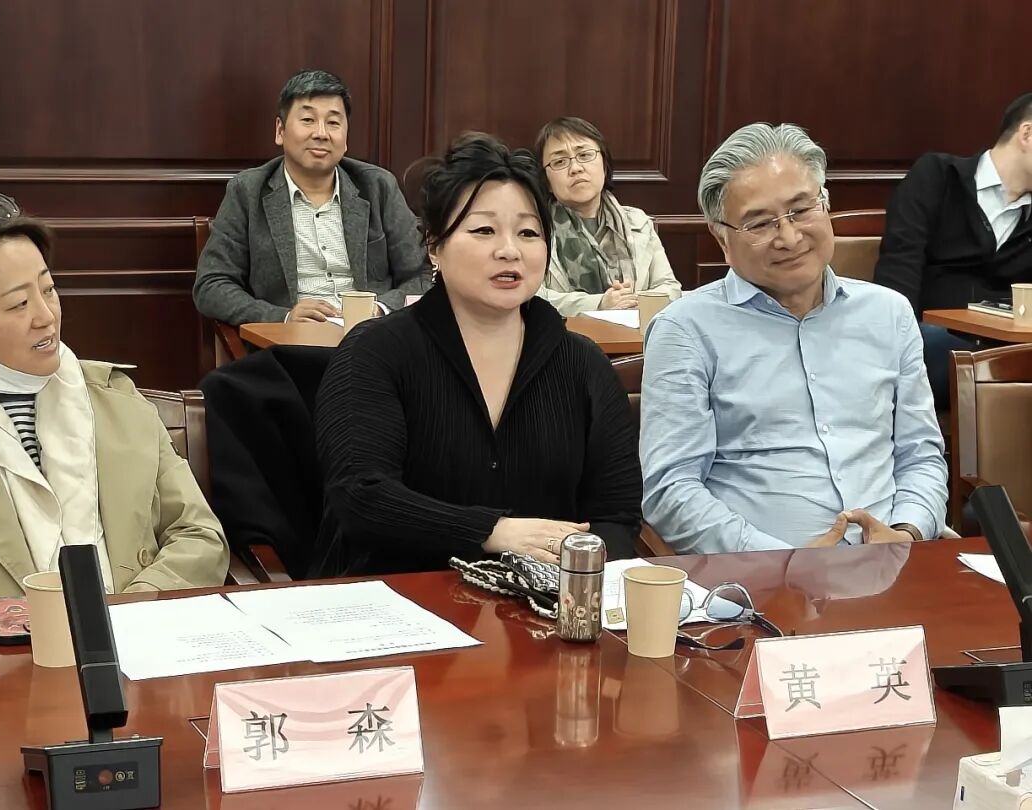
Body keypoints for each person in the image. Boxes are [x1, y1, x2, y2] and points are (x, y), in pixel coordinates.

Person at [315, 134, 642, 576]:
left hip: (545, 599)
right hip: (400, 593)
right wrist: (491, 531)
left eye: (528, 233)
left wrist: (572, 580)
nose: (509, 250)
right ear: (434, 245)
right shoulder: (376, 351)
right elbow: (361, 495)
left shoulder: (583, 363)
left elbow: (616, 517)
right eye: (484, 230)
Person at [641, 124, 948, 554]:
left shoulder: (889, 314)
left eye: (802, 210)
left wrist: (907, 531)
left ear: (826, 204)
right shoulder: (686, 329)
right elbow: (670, 490)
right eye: (760, 223)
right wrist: (782, 562)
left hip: (893, 567)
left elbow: (920, 455)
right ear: (720, 237)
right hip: (758, 581)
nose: (788, 238)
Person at [0, 196, 228, 603]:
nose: (46, 316)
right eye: (19, 304)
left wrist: (135, 607)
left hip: (135, 629)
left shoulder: (117, 399)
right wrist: (11, 622)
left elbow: (199, 534)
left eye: (48, 290)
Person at [193, 69, 430, 325]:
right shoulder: (248, 191)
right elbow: (211, 285)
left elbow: (424, 275)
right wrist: (283, 317)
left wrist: (380, 310)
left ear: (345, 137)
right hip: (290, 341)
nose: (321, 133)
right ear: (280, 130)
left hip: (372, 336)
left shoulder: (378, 186)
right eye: (308, 120)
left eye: (333, 123)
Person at [874, 92, 1032, 406]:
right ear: (1027, 134)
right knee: (931, 349)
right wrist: (897, 340)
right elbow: (899, 268)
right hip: (929, 338)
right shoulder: (937, 176)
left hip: (1009, 346)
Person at [533, 117, 681, 316]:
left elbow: (670, 287)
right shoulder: (535, 230)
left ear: (604, 165)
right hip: (564, 334)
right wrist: (599, 303)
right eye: (559, 161)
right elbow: (532, 297)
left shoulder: (638, 221)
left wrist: (632, 301)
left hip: (637, 332)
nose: (575, 168)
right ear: (547, 181)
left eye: (584, 155)